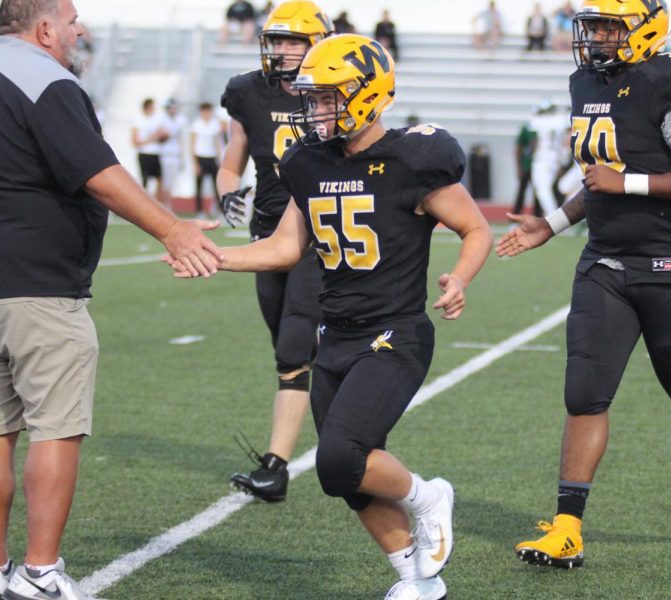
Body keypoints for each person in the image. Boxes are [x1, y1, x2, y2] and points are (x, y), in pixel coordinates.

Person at [168, 32, 492, 600]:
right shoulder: (309, 162)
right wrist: (216, 257)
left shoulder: (412, 158)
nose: (315, 110)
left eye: (327, 98)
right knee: (342, 475)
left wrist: (460, 276)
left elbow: (476, 227)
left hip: (394, 333)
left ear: (368, 93)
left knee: (342, 455)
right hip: (333, 334)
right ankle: (417, 581)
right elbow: (286, 246)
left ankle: (427, 494)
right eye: (312, 98)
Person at [0, 1, 223, 599]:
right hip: (35, 281)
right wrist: (173, 229)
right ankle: (40, 571)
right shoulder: (43, 78)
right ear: (44, 28)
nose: (81, 32)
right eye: (72, 22)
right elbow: (97, 171)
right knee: (55, 427)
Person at [497, 0, 671, 570]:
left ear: (644, 28)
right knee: (585, 392)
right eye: (592, 26)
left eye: (608, 26)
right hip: (606, 264)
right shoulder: (587, 83)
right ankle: (569, 527)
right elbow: (600, 178)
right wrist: (550, 224)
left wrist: (631, 184)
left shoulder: (668, 84)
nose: (596, 38)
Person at [218, 0, 332, 502]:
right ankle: (284, 466)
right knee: (290, 354)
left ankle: (276, 466)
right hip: (266, 234)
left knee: (293, 346)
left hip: (316, 236)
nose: (283, 51)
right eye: (277, 41)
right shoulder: (247, 92)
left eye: (294, 41)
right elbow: (231, 162)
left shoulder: (333, 88)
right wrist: (227, 194)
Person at [530, 98, 570, 216]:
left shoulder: (538, 121)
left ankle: (552, 218)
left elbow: (535, 141)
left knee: (543, 190)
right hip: (555, 160)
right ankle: (552, 216)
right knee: (549, 190)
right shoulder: (560, 121)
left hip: (542, 159)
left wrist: (531, 154)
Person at [132, 97, 170, 206]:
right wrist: (151, 138)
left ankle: (158, 205)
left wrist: (162, 135)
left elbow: (166, 134)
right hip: (144, 153)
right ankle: (142, 205)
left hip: (155, 153)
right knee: (145, 180)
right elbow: (135, 141)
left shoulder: (157, 119)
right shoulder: (138, 120)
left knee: (160, 180)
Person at [191, 102, 225, 218]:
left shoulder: (214, 125)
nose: (206, 114)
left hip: (212, 157)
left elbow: (217, 143)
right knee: (199, 186)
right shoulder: (197, 124)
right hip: (201, 157)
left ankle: (219, 210)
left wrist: (219, 159)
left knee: (216, 186)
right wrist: (195, 163)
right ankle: (199, 211)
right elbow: (193, 144)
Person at [159, 98, 188, 209]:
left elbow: (181, 139)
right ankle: (165, 205)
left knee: (173, 182)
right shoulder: (162, 119)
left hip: (175, 155)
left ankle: (168, 204)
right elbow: (160, 137)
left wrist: (182, 156)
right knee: (165, 182)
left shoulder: (180, 120)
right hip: (165, 154)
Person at [513, 116, 543, 217]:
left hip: (539, 167)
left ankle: (538, 217)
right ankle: (515, 216)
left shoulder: (544, 128)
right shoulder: (527, 128)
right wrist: (519, 167)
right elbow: (518, 148)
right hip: (527, 166)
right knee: (522, 192)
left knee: (539, 193)